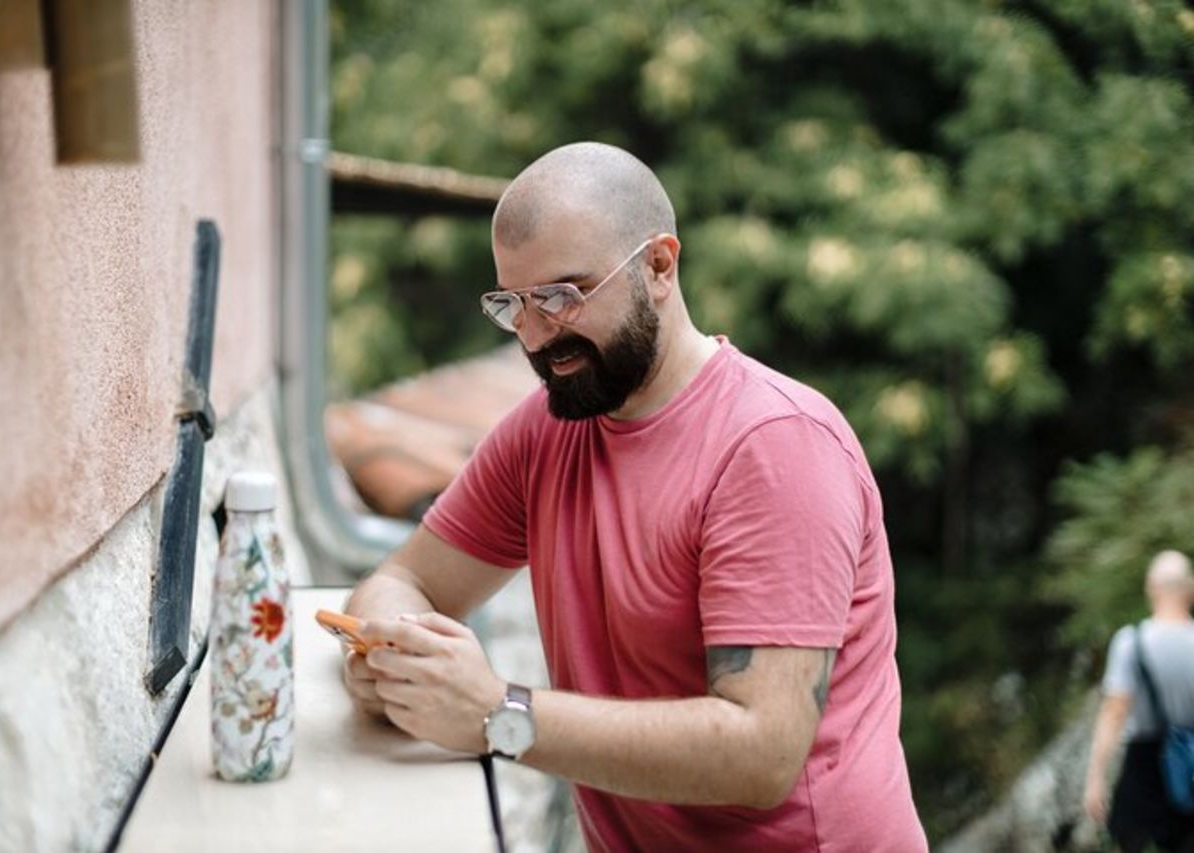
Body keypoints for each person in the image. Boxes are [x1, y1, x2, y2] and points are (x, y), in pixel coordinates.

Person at [341, 141, 927, 851]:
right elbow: (405, 578)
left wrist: (499, 711)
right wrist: (389, 655)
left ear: (658, 266)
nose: (535, 334)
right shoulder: (545, 430)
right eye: (513, 304)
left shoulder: (775, 447)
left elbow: (762, 750)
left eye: (561, 295)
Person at [1084, 550, 1194, 852]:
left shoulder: (1131, 642)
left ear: (1151, 588)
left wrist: (1096, 777)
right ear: (1190, 589)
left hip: (1143, 769)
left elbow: (1114, 710)